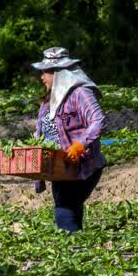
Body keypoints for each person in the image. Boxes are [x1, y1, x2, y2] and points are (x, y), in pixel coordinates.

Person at [32, 47, 107, 232]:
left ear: (58, 73)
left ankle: (73, 251)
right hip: (59, 168)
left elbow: (98, 120)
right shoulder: (49, 101)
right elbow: (40, 133)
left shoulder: (80, 93)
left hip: (79, 166)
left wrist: (80, 145)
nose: (42, 77)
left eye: (45, 72)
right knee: (70, 209)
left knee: (64, 212)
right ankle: (80, 251)